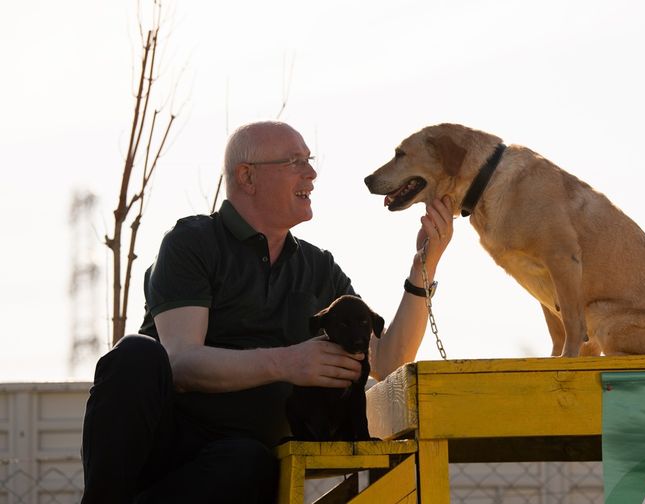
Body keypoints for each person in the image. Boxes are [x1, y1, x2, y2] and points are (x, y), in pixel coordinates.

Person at [80, 120, 453, 503]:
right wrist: (289, 362)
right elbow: (181, 362)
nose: (312, 173)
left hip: (236, 466)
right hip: (163, 445)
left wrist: (424, 268)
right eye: (295, 161)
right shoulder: (192, 242)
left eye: (310, 160)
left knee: (248, 462)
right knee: (134, 354)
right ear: (247, 177)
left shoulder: (319, 268)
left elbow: (388, 359)